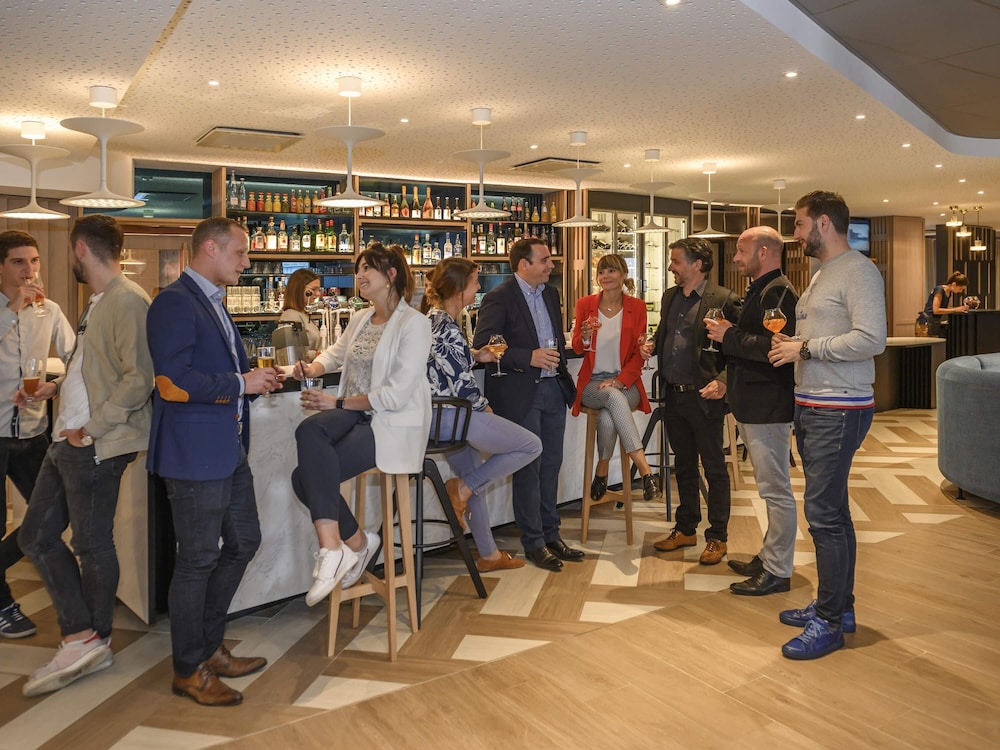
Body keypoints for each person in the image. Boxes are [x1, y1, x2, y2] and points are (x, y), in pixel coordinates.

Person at [18, 215, 153, 697]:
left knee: (91, 545)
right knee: (36, 536)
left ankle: (91, 638)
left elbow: (139, 379)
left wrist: (91, 430)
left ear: (79, 249)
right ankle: (83, 634)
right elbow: (90, 367)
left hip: (93, 442)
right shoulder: (98, 300)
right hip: (65, 436)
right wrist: (54, 388)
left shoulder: (128, 300)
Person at [147, 217, 277, 706]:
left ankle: (208, 646)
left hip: (227, 449)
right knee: (197, 560)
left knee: (245, 541)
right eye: (240, 253)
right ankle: (188, 669)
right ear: (210, 249)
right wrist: (241, 383)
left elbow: (222, 372)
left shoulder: (213, 302)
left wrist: (256, 379)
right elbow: (172, 382)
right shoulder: (174, 302)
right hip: (193, 455)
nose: (247, 261)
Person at [769, 190, 886, 660]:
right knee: (833, 512)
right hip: (814, 404)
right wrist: (798, 343)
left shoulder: (858, 270)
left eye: (799, 224)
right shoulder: (822, 273)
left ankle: (830, 622)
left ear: (822, 223)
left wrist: (805, 348)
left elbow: (871, 339)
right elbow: (824, 336)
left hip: (838, 408)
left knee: (822, 516)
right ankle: (839, 606)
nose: (794, 234)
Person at [293, 243, 431, 604]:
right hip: (354, 416)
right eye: (359, 269)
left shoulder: (415, 324)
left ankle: (343, 549)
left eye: (367, 268)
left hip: (391, 423)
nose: (359, 276)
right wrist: (311, 368)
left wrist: (335, 402)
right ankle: (348, 546)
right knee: (308, 432)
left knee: (303, 476)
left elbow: (395, 395)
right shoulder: (360, 318)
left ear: (391, 275)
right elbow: (335, 354)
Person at [422, 257, 541, 571]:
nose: (478, 288)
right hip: (453, 417)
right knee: (531, 445)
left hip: (437, 418)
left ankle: (488, 554)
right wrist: (483, 406)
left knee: (474, 474)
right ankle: (459, 489)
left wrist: (476, 355)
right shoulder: (447, 327)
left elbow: (447, 363)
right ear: (459, 288)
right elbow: (462, 384)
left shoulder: (434, 319)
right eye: (475, 282)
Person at [472, 238, 582, 572]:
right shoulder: (499, 297)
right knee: (529, 469)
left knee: (551, 465)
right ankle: (534, 542)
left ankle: (552, 534)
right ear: (524, 264)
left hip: (553, 389)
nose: (551, 265)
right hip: (520, 393)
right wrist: (528, 357)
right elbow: (485, 345)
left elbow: (556, 340)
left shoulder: (550, 294)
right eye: (545, 260)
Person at [705, 227, 798, 595]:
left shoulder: (779, 292)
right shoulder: (761, 289)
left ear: (763, 252)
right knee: (769, 488)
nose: (735, 258)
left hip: (768, 405)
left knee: (776, 490)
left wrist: (727, 335)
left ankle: (778, 569)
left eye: (741, 251)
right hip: (755, 404)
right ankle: (769, 556)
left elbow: (775, 348)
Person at [647, 237, 741, 565]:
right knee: (683, 466)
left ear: (697, 265)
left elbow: (739, 348)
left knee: (714, 468)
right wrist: (651, 345)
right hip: (674, 395)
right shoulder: (669, 296)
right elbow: (666, 335)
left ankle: (717, 536)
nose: (670, 267)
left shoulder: (725, 299)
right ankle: (686, 528)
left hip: (705, 397)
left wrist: (724, 381)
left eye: (676, 261)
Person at [0, 231, 74, 638]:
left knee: (54, 513)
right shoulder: (10, 309)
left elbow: (77, 357)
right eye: (18, 262)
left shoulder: (50, 311)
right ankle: (3, 605)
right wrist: (13, 309)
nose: (29, 270)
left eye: (34, 261)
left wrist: (55, 386)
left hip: (33, 431)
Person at [570, 253, 659, 502]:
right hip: (592, 383)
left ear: (623, 275)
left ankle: (602, 471)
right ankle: (645, 471)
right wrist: (584, 337)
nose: (605, 276)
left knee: (609, 413)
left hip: (626, 382)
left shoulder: (637, 307)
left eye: (611, 271)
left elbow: (639, 352)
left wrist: (620, 381)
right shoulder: (585, 304)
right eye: (601, 271)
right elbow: (577, 347)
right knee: (611, 397)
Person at [280, 268, 322, 351]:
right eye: (313, 289)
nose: (318, 294)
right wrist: (316, 354)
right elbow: (292, 352)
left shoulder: (303, 314)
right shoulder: (290, 316)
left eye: (318, 290)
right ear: (299, 289)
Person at [922, 271, 968, 337]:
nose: (960, 291)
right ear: (954, 284)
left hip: (934, 323)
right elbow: (936, 310)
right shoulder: (940, 290)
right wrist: (955, 310)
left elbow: (944, 307)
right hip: (926, 324)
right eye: (960, 289)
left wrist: (959, 309)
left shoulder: (949, 293)